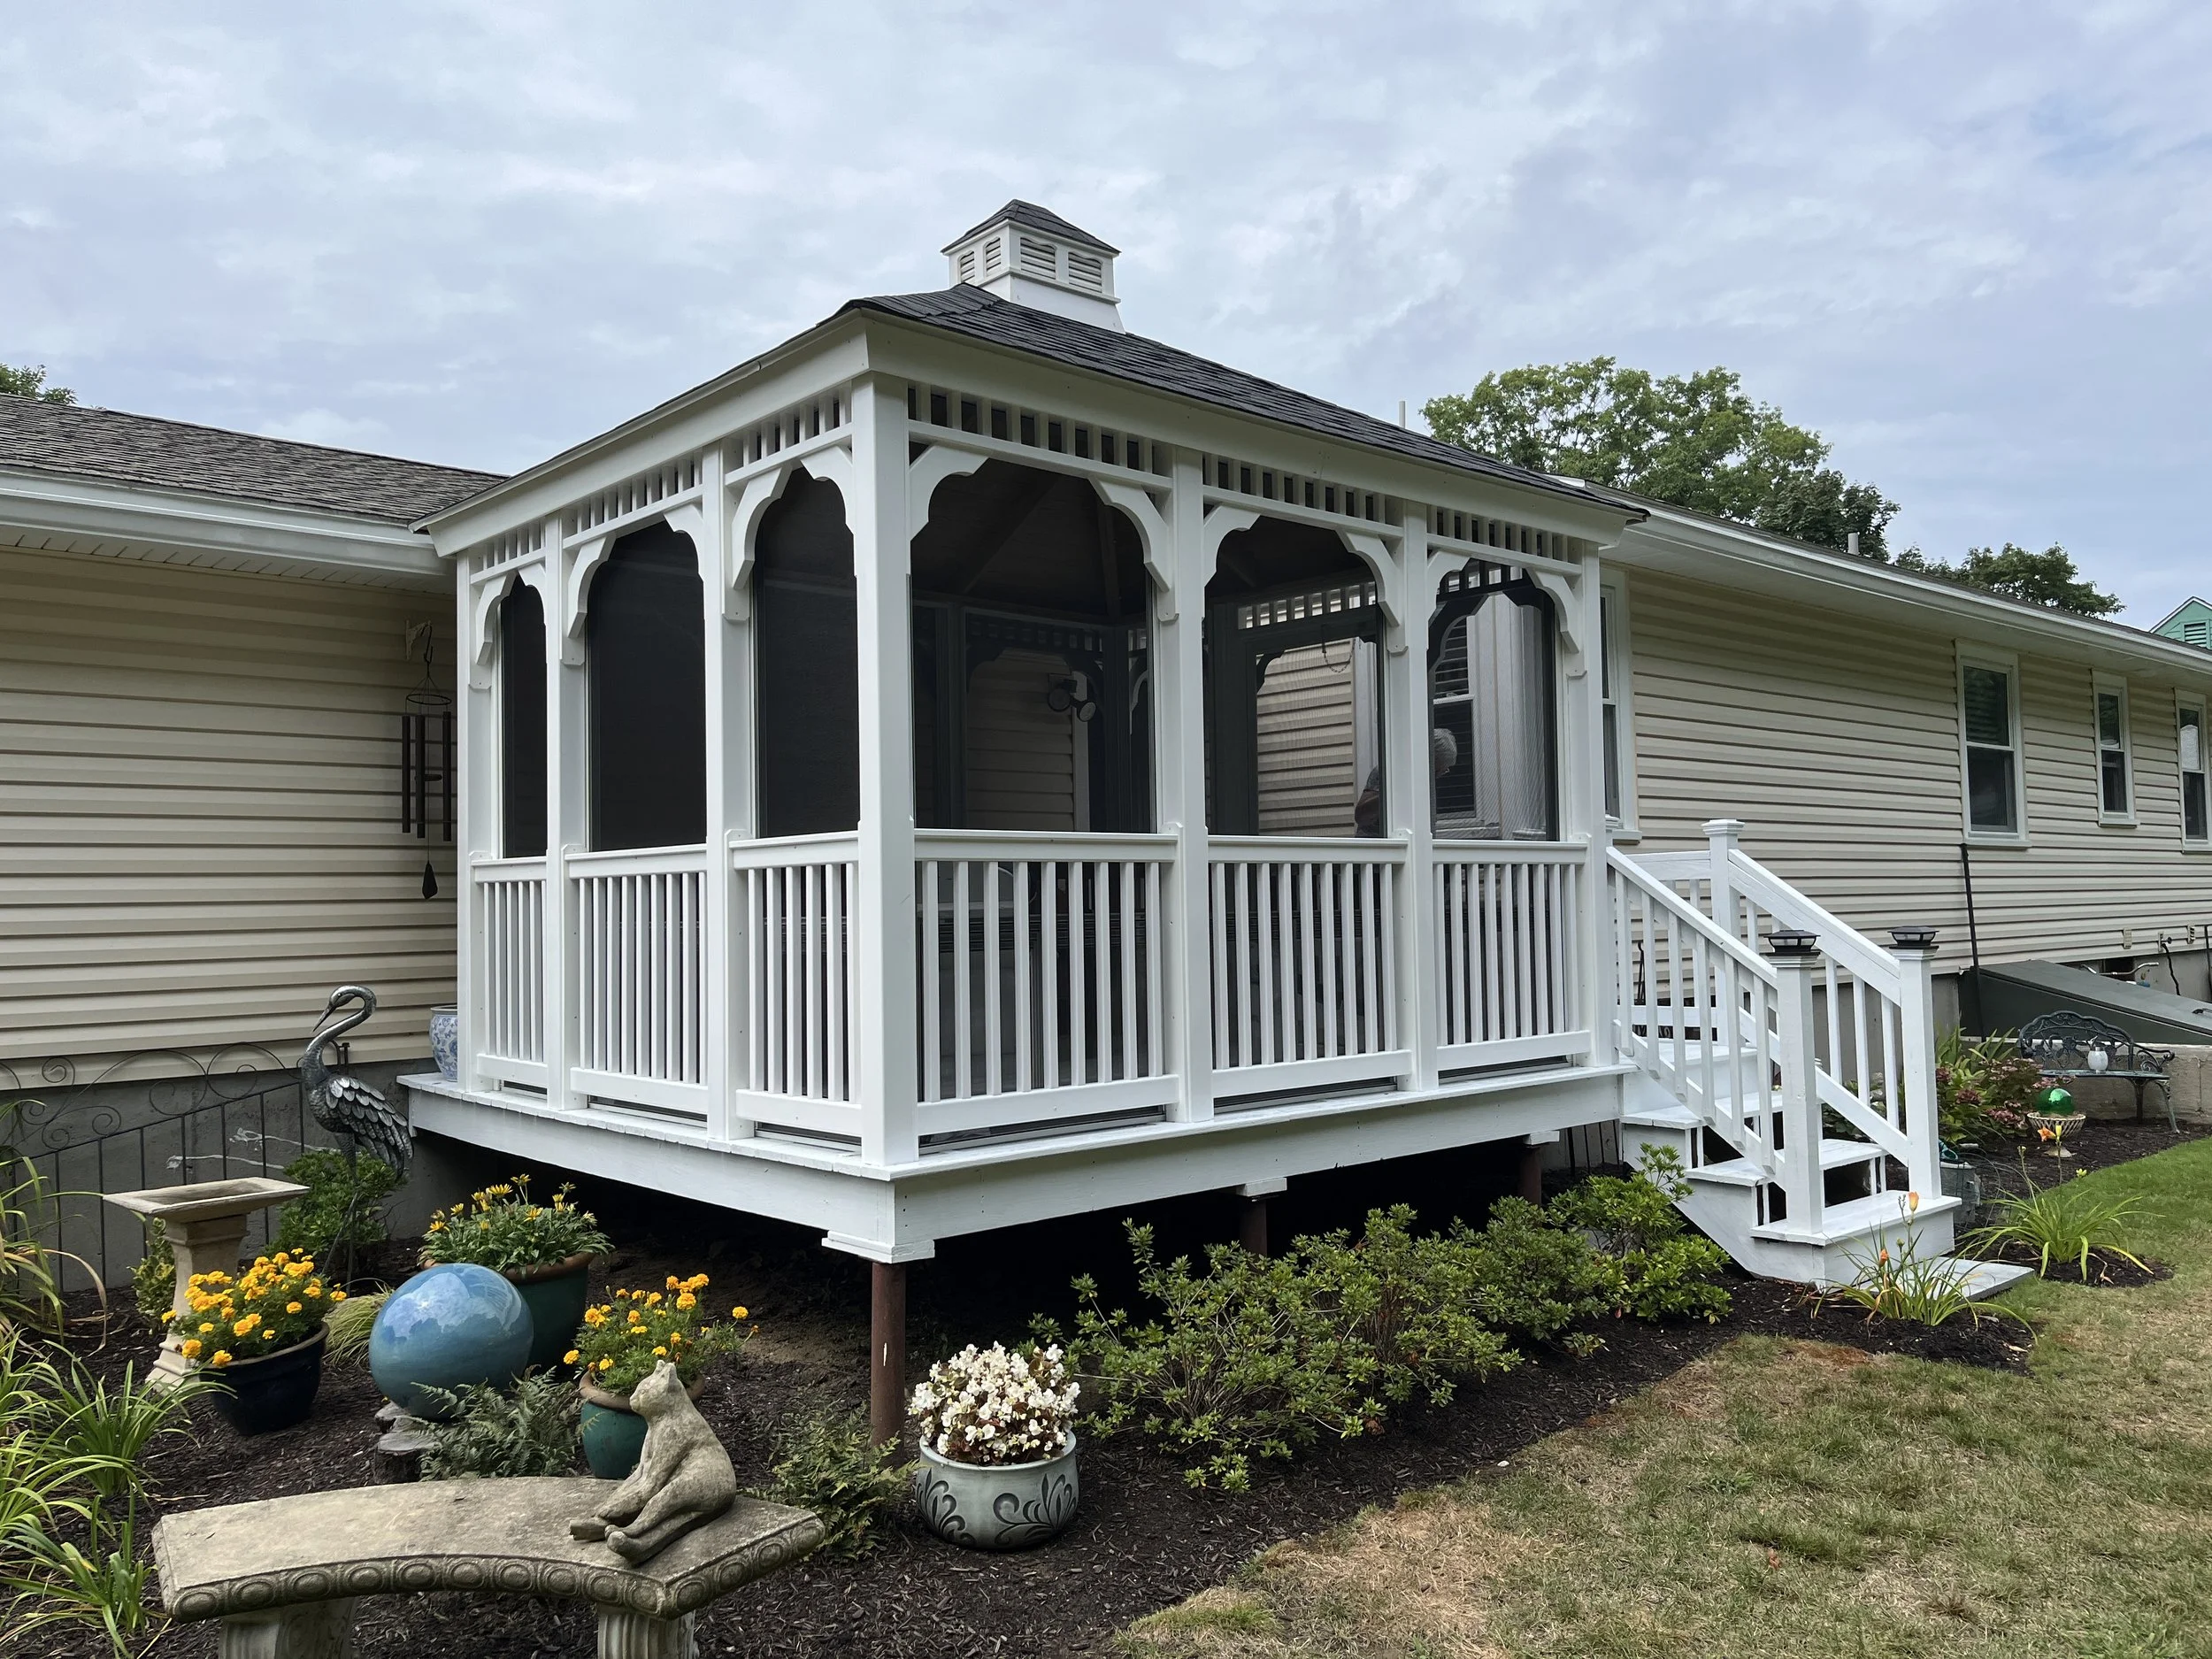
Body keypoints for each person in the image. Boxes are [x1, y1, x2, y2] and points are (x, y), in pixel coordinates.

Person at [1354, 727, 1458, 836]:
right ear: (1427, 759)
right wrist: (1400, 788)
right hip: (1379, 848)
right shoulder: (1389, 771)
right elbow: (1362, 815)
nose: (1440, 774)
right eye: (1438, 769)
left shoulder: (1424, 782)